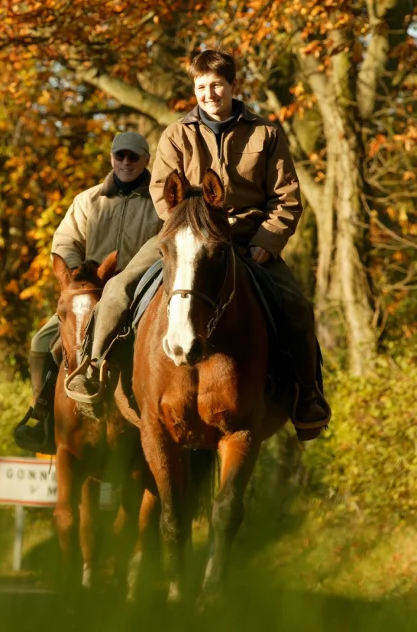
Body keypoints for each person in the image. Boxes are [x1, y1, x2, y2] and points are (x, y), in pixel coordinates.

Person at [67, 50, 331, 441]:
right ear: (194, 88)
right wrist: (185, 227)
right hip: (185, 238)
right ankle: (92, 369)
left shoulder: (266, 134)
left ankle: (308, 395)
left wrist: (267, 242)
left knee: (296, 305)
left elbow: (287, 197)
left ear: (233, 85)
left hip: (248, 240)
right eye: (201, 87)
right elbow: (161, 190)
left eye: (216, 86)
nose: (209, 94)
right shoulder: (177, 133)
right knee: (119, 290)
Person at [13, 131, 162, 453]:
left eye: (133, 157)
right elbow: (65, 239)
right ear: (111, 157)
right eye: (120, 156)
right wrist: (77, 272)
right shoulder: (88, 200)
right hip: (88, 295)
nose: (125, 162)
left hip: (142, 294)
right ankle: (43, 415)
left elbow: (167, 244)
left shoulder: (159, 202)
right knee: (42, 342)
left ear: (146, 160)